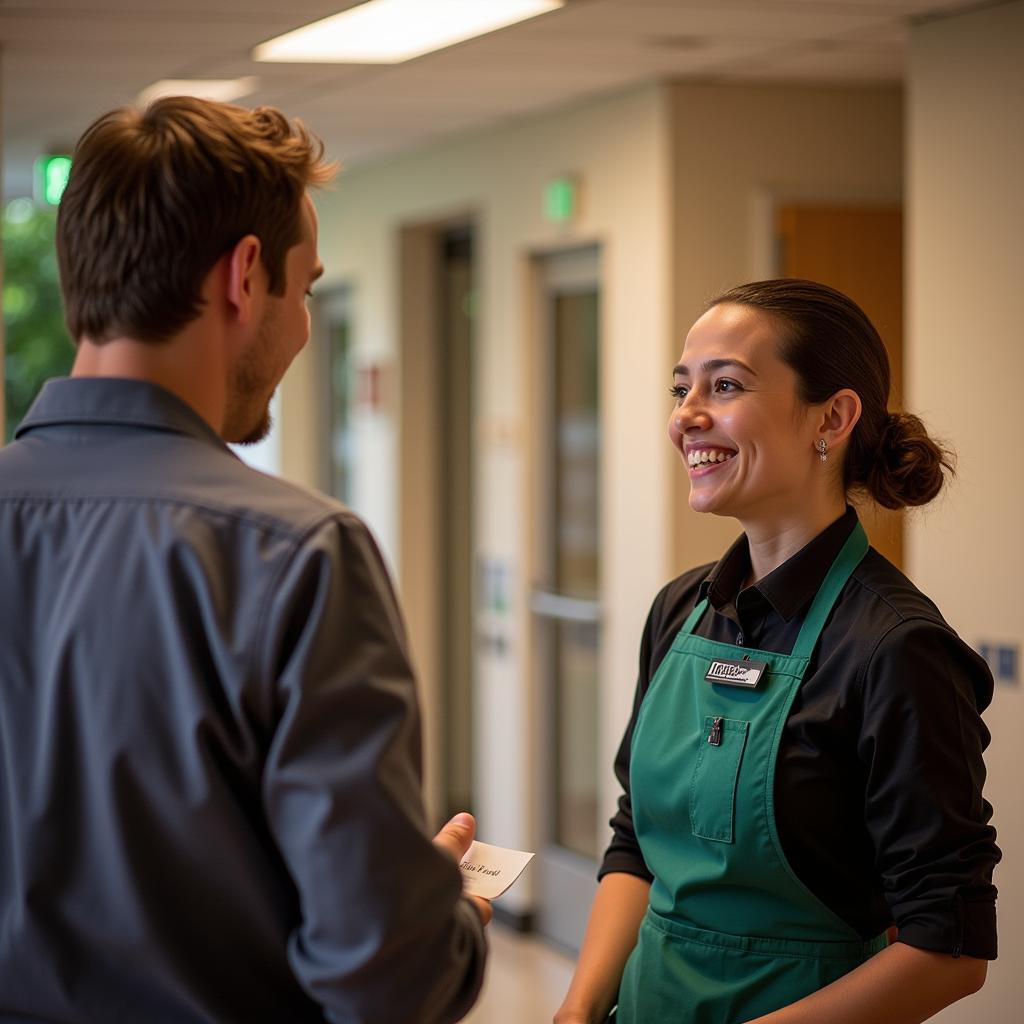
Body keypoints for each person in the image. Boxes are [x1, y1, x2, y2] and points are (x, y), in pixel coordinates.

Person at [0, 97, 488, 1023]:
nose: (303, 326)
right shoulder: (295, 555)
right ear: (245, 275)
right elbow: (382, 974)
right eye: (305, 289)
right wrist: (443, 922)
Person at [555, 279, 999, 1024]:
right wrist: (578, 1010)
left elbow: (949, 950)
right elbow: (636, 840)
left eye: (725, 385)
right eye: (680, 388)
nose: (686, 417)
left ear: (833, 417)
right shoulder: (681, 611)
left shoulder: (895, 649)